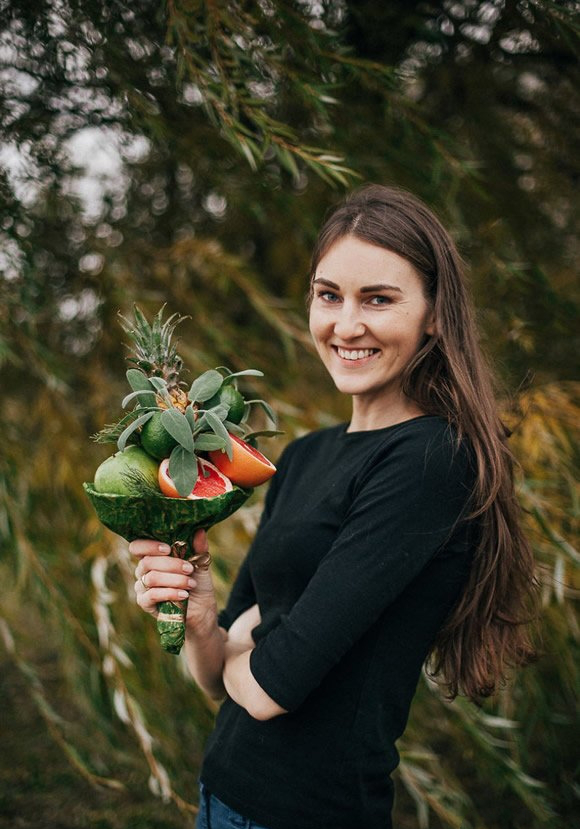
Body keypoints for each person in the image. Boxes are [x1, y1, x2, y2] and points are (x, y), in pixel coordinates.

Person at [130, 184, 538, 829]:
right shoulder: (302, 457)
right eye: (329, 296)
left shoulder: (430, 458)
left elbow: (269, 692)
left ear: (434, 314)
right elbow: (218, 684)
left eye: (378, 299)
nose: (346, 326)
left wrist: (252, 646)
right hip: (221, 795)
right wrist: (204, 616)